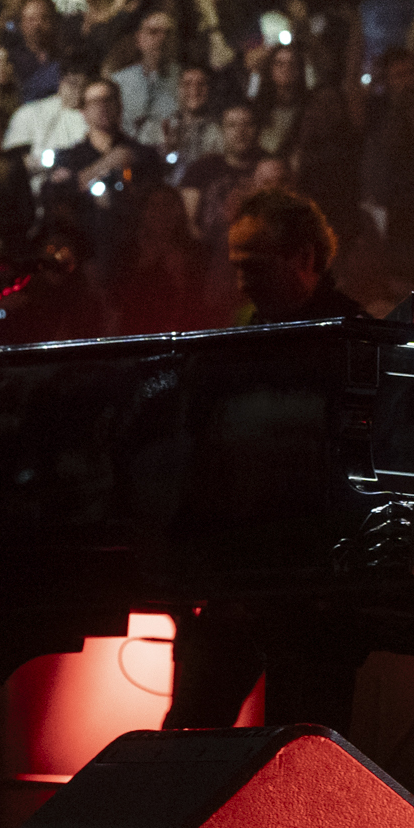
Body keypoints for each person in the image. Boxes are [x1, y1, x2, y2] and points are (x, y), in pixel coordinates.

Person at [165, 189, 369, 737]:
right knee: (190, 734)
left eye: (253, 267)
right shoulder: (242, 341)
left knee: (301, 749)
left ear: (304, 258)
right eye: (234, 268)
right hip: (240, 578)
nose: (242, 282)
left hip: (312, 592)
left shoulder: (352, 342)